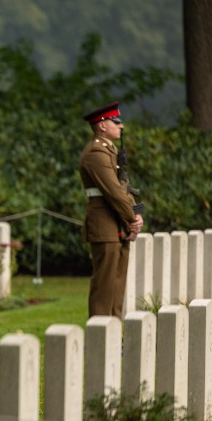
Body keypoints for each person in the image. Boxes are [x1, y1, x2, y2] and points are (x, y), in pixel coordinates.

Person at [80, 101, 143, 317]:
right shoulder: (96, 153)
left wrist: (135, 215)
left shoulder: (109, 151)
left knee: (117, 284)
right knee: (104, 286)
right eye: (115, 122)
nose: (121, 126)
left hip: (117, 224)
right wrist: (132, 218)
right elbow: (113, 192)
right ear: (102, 126)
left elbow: (123, 188)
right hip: (105, 224)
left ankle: (114, 334)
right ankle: (100, 335)